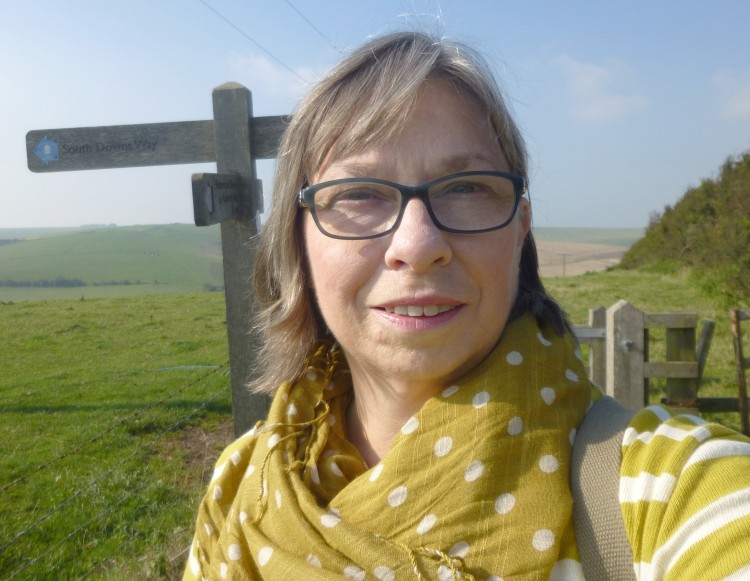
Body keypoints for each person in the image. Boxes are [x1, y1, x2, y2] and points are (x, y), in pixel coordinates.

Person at [184, 32, 750, 580]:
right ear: (297, 237)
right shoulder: (239, 487)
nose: (417, 245)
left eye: (466, 187)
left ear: (519, 227)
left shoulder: (666, 490)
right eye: (358, 193)